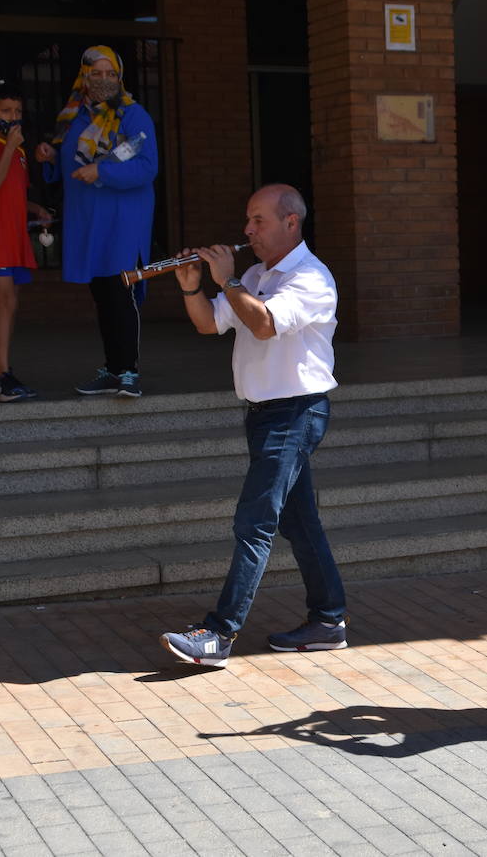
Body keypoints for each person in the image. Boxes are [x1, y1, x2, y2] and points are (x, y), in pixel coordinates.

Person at [159, 184, 348, 668]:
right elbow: (208, 324)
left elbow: (263, 324)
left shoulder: (311, 277)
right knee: (298, 521)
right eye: (248, 220)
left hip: (295, 412)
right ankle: (328, 620)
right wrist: (190, 284)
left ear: (291, 223)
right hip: (265, 414)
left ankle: (219, 634)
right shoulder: (254, 275)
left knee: (254, 521)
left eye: (258, 220)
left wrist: (226, 282)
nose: (247, 230)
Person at [35, 45, 157, 399]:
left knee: (122, 293)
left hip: (123, 220)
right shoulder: (76, 117)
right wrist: (52, 157)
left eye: (111, 74)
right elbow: (69, 165)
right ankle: (112, 368)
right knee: (103, 295)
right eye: (96, 73)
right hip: (89, 221)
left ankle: (129, 372)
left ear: (120, 78)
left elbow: (146, 166)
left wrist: (101, 170)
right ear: (84, 77)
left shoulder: (134, 116)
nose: (104, 80)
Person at [0, 78, 51, 401]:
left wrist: (36, 208)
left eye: (18, 111)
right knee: (5, 302)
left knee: (11, 305)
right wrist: (11, 147)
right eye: (5, 110)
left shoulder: (19, 151)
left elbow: (14, 194)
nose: (13, 116)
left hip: (16, 237)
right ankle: (2, 377)